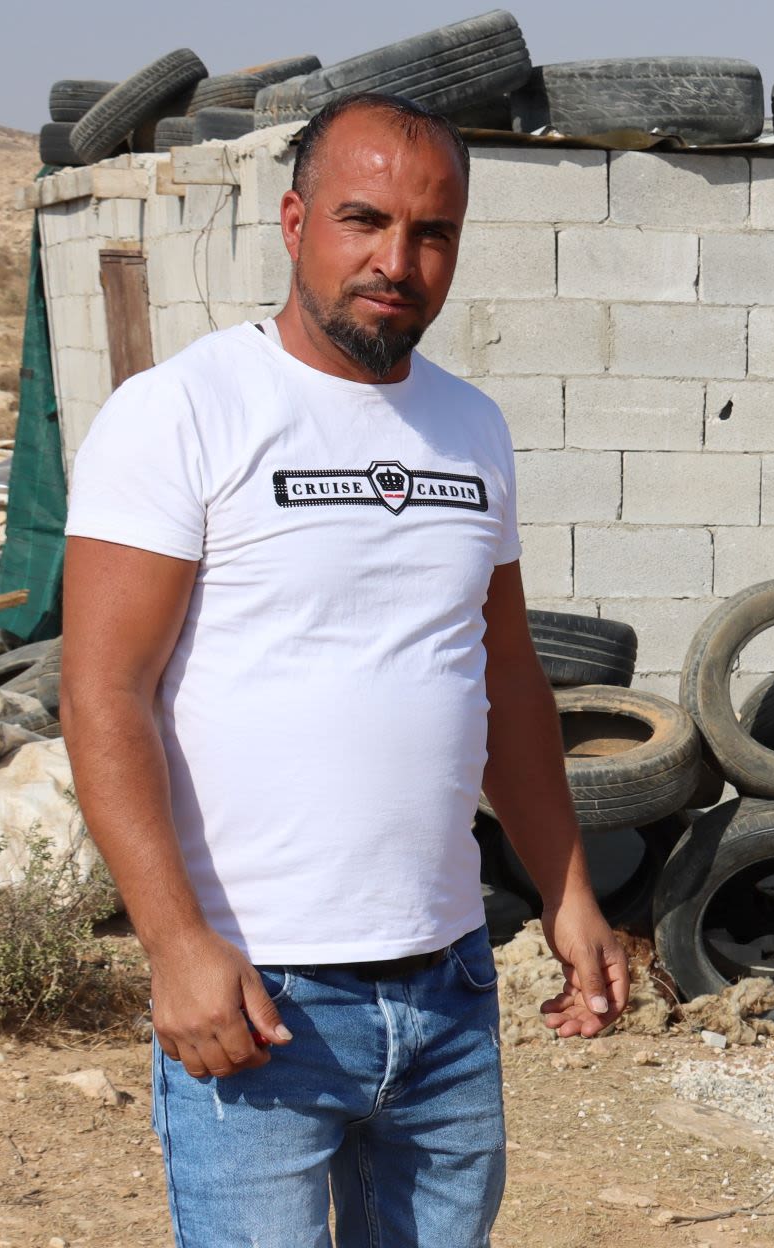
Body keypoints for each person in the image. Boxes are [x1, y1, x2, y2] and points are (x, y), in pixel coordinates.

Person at [61, 90, 626, 1245]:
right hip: (258, 995)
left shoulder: (470, 428)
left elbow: (505, 678)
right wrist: (174, 945)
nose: (396, 262)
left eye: (432, 233)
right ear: (293, 221)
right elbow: (103, 691)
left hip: (447, 988)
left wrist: (567, 892)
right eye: (363, 220)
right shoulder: (182, 412)